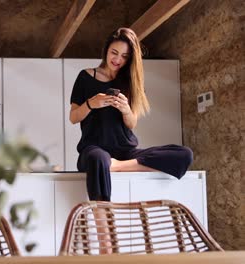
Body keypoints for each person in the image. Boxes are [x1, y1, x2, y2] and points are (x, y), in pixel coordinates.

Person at [69, 28, 193, 254]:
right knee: (98, 158)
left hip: (125, 151)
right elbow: (73, 117)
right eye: (114, 53)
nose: (117, 60)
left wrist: (126, 109)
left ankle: (114, 166)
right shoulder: (85, 77)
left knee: (184, 154)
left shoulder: (130, 80)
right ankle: (106, 245)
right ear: (106, 50)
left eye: (124, 56)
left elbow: (132, 123)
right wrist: (91, 104)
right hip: (94, 148)